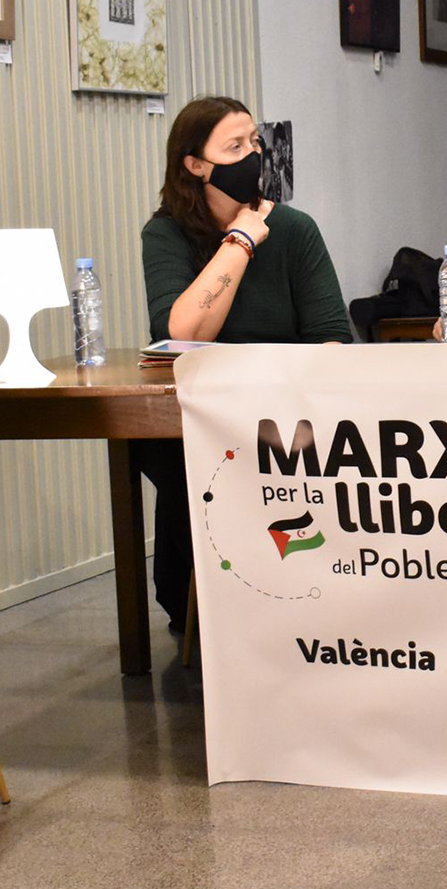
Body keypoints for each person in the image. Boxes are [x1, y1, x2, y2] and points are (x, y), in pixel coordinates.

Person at [138, 95, 352, 631]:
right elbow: (182, 334)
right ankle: (203, 606)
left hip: (287, 413)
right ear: (195, 165)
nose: (253, 155)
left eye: (255, 142)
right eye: (234, 147)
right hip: (204, 414)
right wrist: (240, 241)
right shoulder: (165, 233)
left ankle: (294, 595)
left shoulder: (296, 229)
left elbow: (332, 338)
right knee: (160, 449)